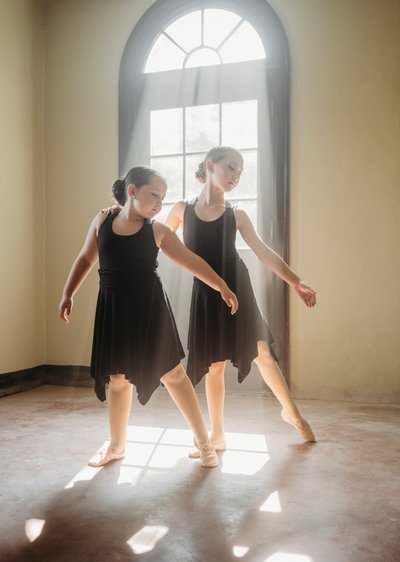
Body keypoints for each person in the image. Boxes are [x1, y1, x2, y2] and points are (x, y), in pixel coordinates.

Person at [58, 166, 238, 468]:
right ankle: (116, 446)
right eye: (154, 195)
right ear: (132, 191)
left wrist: (221, 286)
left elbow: (191, 260)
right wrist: (68, 293)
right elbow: (86, 258)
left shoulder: (156, 230)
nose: (159, 203)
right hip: (114, 308)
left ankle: (204, 442)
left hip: (149, 309)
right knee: (117, 379)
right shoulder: (103, 220)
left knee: (173, 375)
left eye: (163, 198)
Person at [165, 146, 317, 454]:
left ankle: (294, 415)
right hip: (206, 292)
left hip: (238, 286)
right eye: (231, 167)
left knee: (262, 353)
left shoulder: (237, 214)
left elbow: (264, 253)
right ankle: (218, 435)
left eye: (240, 171)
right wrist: (120, 211)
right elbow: (157, 239)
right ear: (210, 166)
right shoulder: (181, 209)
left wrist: (297, 281)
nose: (236, 175)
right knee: (214, 364)